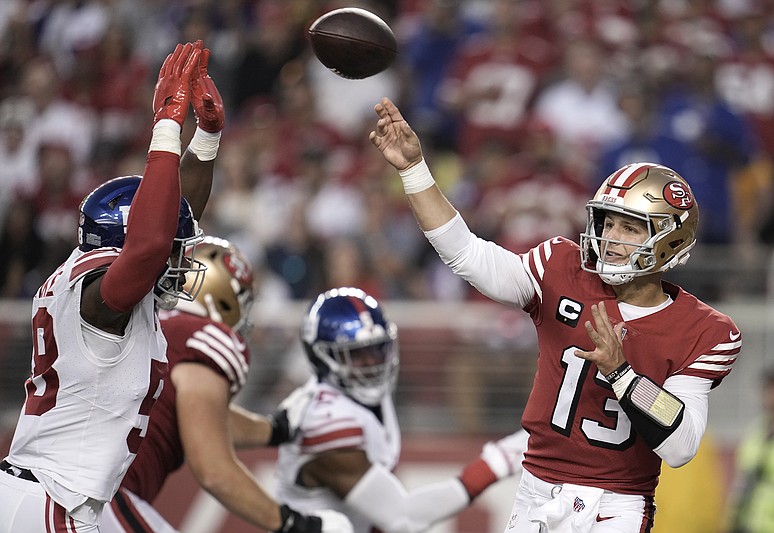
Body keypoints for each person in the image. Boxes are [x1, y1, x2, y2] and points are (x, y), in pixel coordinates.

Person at [369, 97, 742, 532]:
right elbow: (466, 254)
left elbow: (681, 447)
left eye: (630, 227)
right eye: (607, 222)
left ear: (670, 241)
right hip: (536, 489)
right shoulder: (561, 267)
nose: (611, 237)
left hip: (616, 505)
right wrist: (414, 170)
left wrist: (623, 375)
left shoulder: (706, 331)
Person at [0, 41, 208, 532]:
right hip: (53, 500)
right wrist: (166, 124)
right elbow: (152, 243)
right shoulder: (99, 293)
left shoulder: (86, 276)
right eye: (168, 248)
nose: (179, 259)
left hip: (39, 492)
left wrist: (209, 138)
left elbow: (175, 222)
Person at [100, 237, 352, 533]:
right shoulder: (201, 339)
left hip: (55, 486)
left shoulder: (154, 326)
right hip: (99, 497)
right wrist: (295, 524)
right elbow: (214, 470)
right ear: (220, 297)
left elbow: (199, 417)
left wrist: (276, 429)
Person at [276, 286, 528, 533]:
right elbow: (404, 518)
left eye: (376, 349)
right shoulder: (324, 421)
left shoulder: (364, 398)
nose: (372, 363)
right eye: (355, 354)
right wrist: (498, 461)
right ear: (321, 357)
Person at [725, 367, 774, 533]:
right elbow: (743, 479)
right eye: (769, 391)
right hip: (751, 522)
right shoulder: (757, 430)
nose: (772, 398)